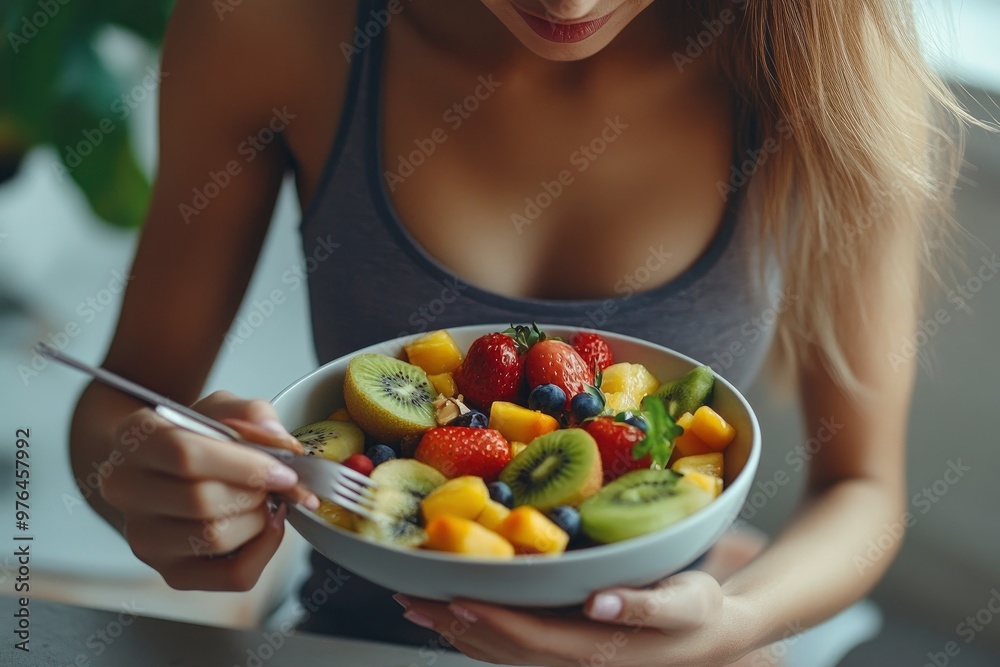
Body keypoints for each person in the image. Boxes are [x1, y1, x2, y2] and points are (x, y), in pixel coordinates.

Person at [70, 0, 970, 664]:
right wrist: (150, 486)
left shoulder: (822, 60)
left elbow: (862, 489)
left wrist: (732, 622)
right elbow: (121, 406)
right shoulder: (265, 26)